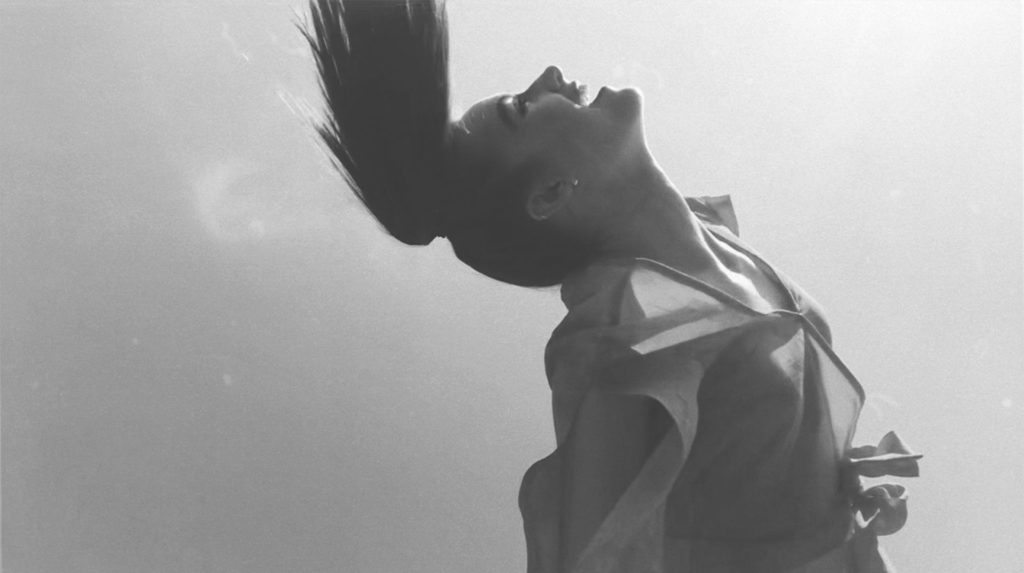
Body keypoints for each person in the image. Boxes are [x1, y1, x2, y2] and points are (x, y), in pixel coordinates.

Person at [302, 1, 921, 571]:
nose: (548, 74)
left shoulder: (720, 248)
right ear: (549, 193)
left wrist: (820, 477)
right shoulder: (620, 333)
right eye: (524, 106)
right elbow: (591, 554)